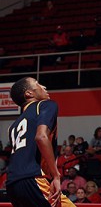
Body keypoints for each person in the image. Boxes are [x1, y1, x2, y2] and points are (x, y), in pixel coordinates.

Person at [6, 77, 75, 206]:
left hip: (12, 184)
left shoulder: (13, 126)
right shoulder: (45, 105)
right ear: (29, 93)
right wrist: (56, 175)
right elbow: (41, 137)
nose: (43, 87)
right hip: (33, 178)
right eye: (37, 84)